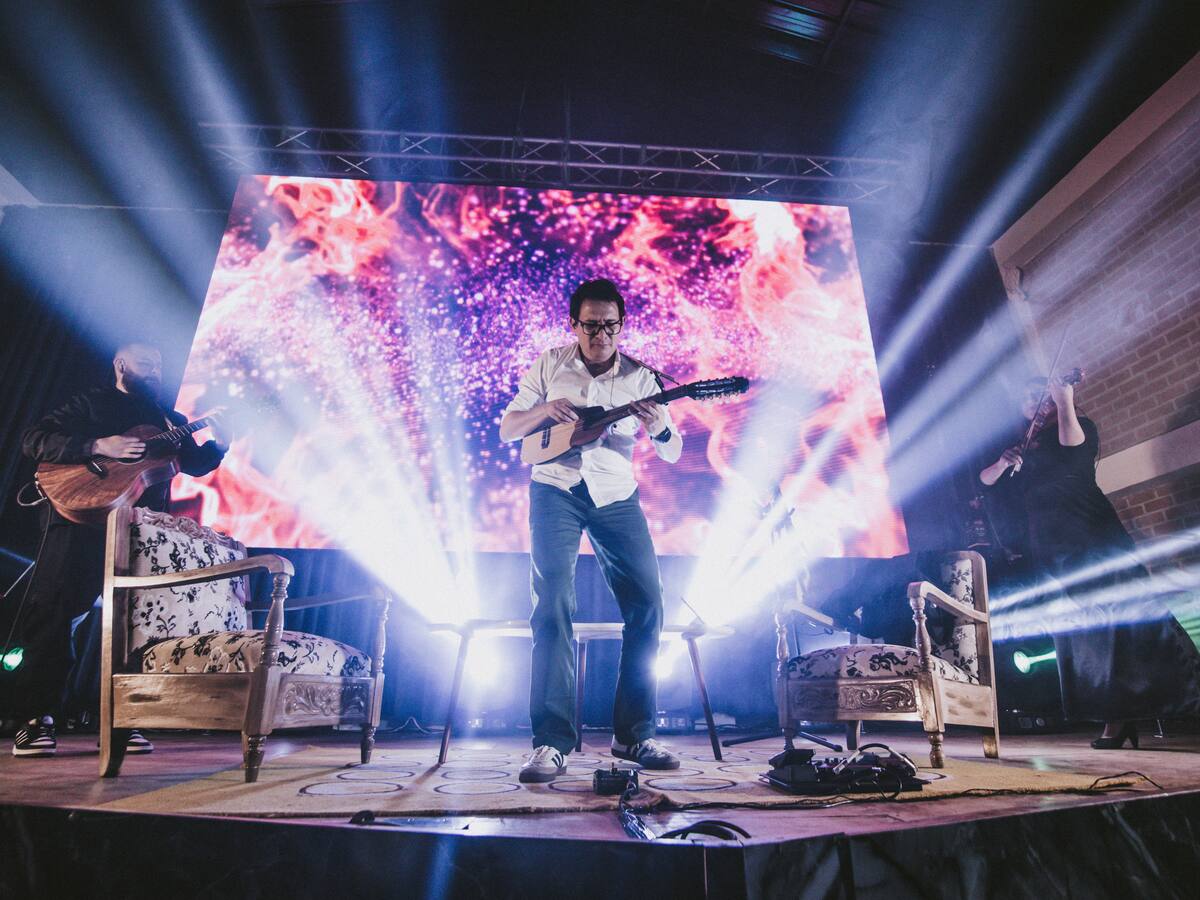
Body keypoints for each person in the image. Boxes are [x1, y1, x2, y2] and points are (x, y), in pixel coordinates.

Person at [500, 279, 683, 783]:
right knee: (553, 602)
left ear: (621, 326)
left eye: (609, 325)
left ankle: (634, 735)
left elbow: (672, 449)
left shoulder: (642, 377)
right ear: (574, 324)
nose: (600, 334)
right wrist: (545, 410)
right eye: (590, 324)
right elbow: (510, 429)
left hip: (616, 496)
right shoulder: (550, 364)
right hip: (555, 487)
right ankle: (551, 742)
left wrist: (656, 426)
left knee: (648, 602)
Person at [12, 342, 230, 758]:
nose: (154, 371)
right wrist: (99, 446)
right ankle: (35, 718)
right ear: (121, 365)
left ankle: (124, 721)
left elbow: (195, 463)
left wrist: (221, 443)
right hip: (76, 523)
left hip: (139, 532)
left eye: (159, 365)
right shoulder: (91, 403)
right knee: (53, 612)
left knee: (137, 628)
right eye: (146, 363)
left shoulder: (171, 419)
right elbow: (34, 439)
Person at [979, 374, 1200, 748]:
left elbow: (1074, 452)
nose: (1035, 402)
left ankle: (1166, 705)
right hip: (1052, 549)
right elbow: (985, 482)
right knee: (1086, 636)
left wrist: (1064, 400)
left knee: (1124, 626)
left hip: (1091, 537)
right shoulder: (1023, 447)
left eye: (1039, 395)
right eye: (1027, 398)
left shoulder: (1079, 426)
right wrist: (1003, 463)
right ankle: (1117, 718)